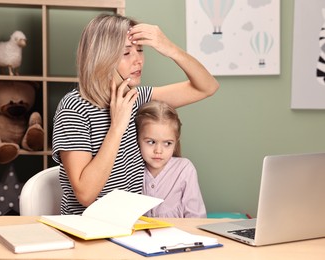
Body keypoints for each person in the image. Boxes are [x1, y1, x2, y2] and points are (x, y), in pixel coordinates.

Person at [52, 14, 219, 215]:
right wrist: (117, 127)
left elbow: (207, 87)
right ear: (101, 58)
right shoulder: (74, 108)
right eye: (126, 53)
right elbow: (86, 194)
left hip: (130, 227)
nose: (138, 60)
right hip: (88, 231)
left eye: (140, 50)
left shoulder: (136, 97)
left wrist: (170, 48)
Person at [135, 100, 207, 218]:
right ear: (138, 139)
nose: (158, 150)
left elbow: (196, 217)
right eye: (151, 142)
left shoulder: (185, 169)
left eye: (167, 143)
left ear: (175, 142)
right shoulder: (131, 169)